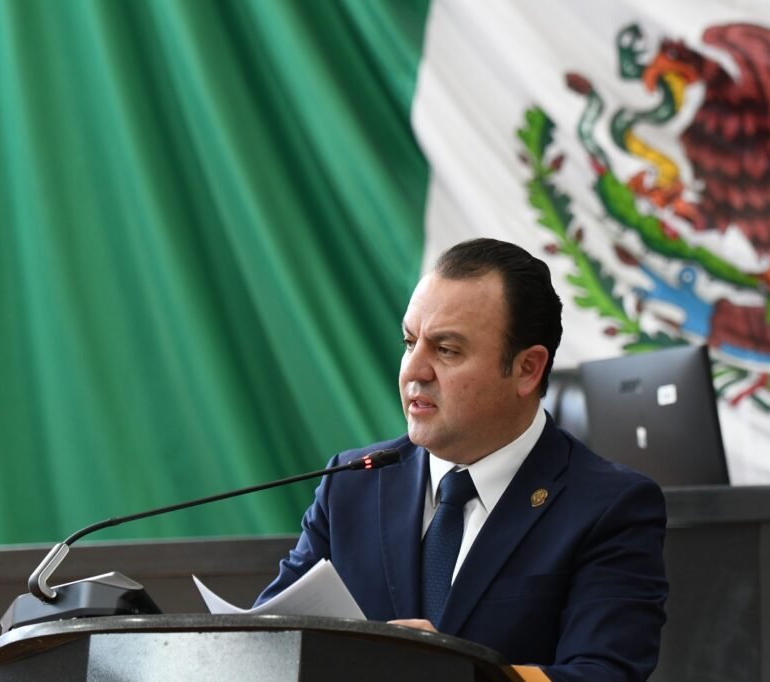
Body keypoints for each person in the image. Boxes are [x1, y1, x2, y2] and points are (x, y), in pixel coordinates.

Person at [256, 238, 668, 681]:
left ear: (527, 369)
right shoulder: (352, 483)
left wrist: (455, 672)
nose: (413, 371)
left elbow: (604, 674)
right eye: (409, 342)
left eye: (446, 350)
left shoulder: (608, 506)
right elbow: (265, 643)